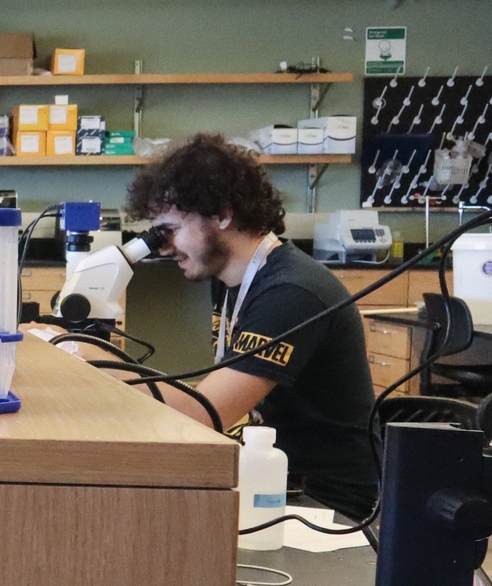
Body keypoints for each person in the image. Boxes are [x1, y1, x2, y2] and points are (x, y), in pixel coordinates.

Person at [123, 132, 377, 517]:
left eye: (170, 230)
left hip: (325, 503)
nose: (164, 247)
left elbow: (204, 413)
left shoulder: (292, 292)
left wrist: (99, 370)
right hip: (271, 476)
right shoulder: (233, 280)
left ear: (223, 215)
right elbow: (213, 394)